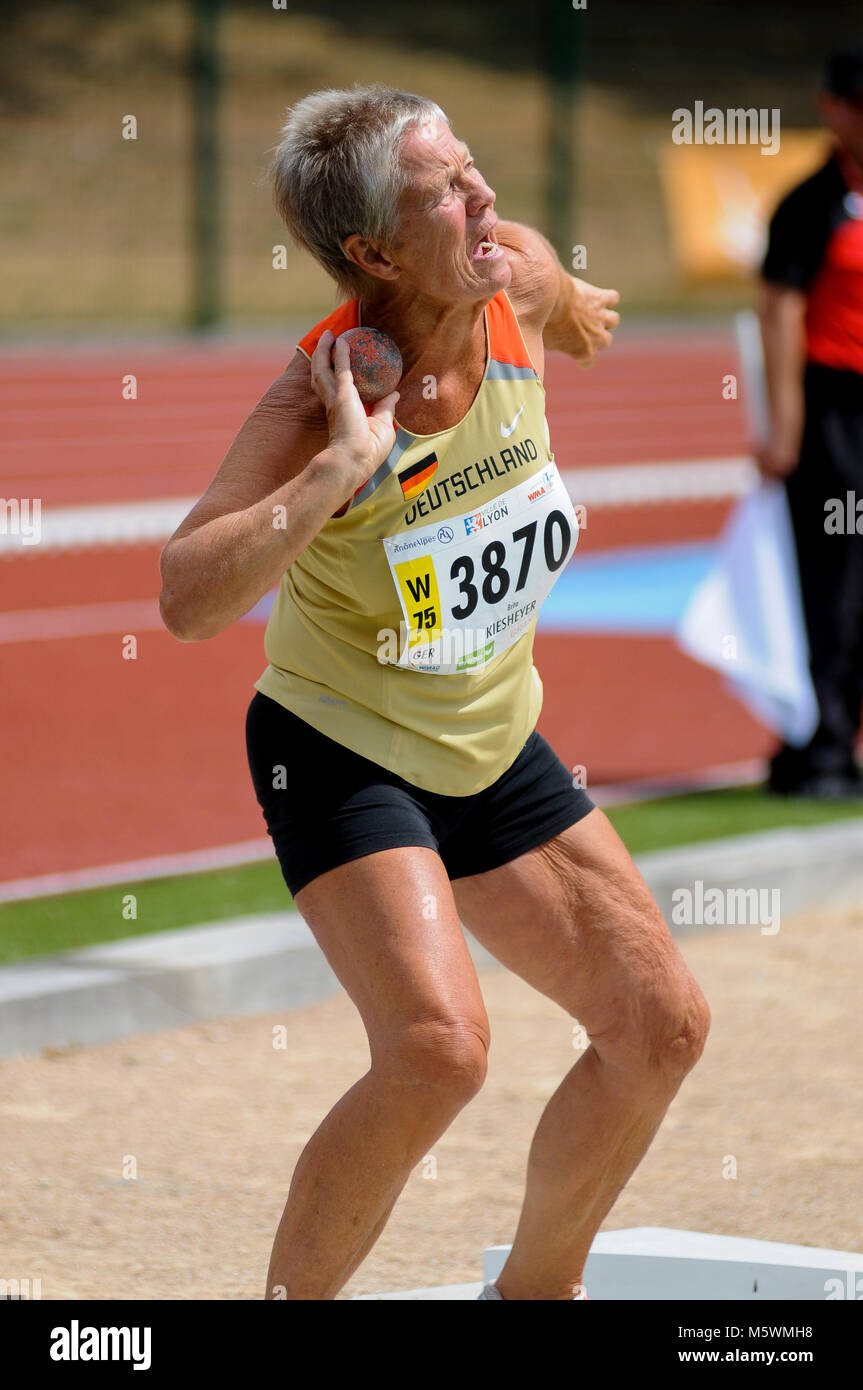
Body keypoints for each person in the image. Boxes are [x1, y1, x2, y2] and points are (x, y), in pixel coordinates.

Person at [159, 85, 710, 1301]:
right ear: (369, 252)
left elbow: (561, 300)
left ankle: (536, 1293)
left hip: (489, 731)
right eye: (446, 190)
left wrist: (580, 308)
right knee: (437, 1049)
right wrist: (337, 475)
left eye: (474, 167)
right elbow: (188, 596)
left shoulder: (505, 272)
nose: (485, 198)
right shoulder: (327, 394)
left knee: (659, 1024)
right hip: (340, 741)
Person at [758, 43, 863, 798]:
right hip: (833, 413)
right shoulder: (809, 205)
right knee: (832, 581)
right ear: (831, 108)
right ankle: (820, 745)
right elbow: (779, 314)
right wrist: (785, 427)